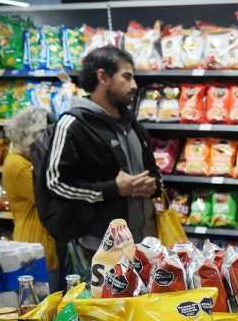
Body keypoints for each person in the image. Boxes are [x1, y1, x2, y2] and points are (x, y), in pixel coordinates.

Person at [45, 45, 160, 260]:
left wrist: (153, 185)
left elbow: (153, 171)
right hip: (99, 250)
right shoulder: (72, 125)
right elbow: (55, 183)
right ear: (103, 77)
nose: (134, 85)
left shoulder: (133, 126)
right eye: (127, 77)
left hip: (143, 244)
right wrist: (112, 189)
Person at [2, 107, 60, 285]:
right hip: (34, 250)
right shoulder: (18, 166)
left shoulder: (24, 161)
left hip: (41, 246)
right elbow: (49, 196)